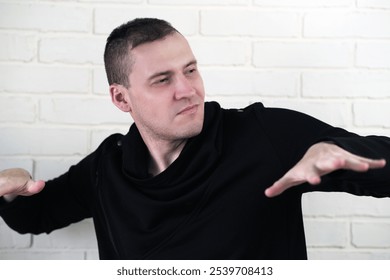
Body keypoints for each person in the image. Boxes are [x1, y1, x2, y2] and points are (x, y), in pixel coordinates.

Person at [0, 18, 390, 260]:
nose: (188, 90)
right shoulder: (108, 168)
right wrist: (13, 189)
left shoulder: (264, 135)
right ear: (122, 98)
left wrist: (347, 151)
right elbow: (36, 216)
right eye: (162, 79)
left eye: (190, 70)